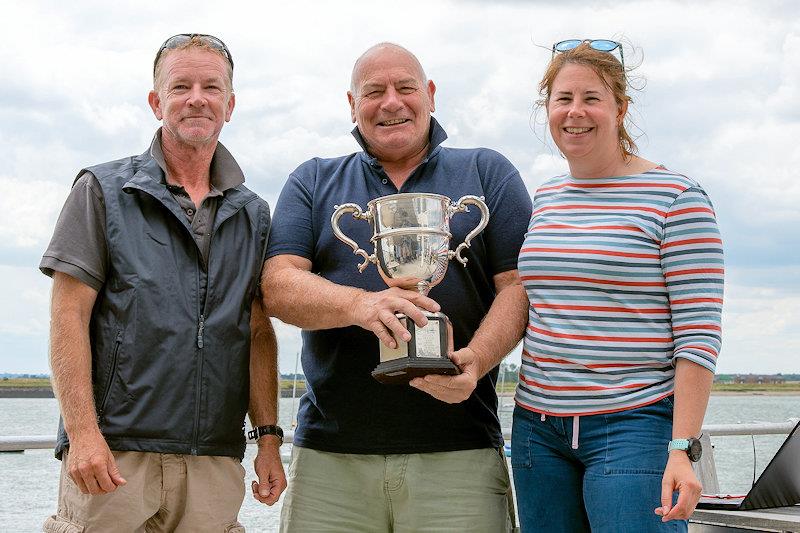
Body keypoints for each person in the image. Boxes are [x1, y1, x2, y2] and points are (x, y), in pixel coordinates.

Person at [261, 42, 532, 532]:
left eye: (406, 88)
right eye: (374, 91)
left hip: (461, 453)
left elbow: (519, 286)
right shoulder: (313, 180)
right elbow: (278, 286)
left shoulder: (488, 171)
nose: (391, 102)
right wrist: (362, 305)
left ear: (430, 94)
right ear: (351, 104)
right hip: (330, 459)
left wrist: (479, 360)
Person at [39, 34, 286, 532]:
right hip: (112, 457)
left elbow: (258, 334)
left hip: (213, 459)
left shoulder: (254, 214)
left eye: (211, 87)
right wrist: (83, 435)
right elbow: (68, 317)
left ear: (230, 105)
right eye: (181, 86)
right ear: (157, 102)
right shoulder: (101, 191)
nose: (197, 97)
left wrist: (268, 441)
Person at [512, 40, 724, 533]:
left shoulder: (677, 198)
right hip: (536, 431)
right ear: (548, 108)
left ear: (620, 108)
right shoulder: (545, 197)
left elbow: (699, 336)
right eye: (563, 99)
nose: (575, 112)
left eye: (592, 98)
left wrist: (682, 449)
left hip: (634, 426)